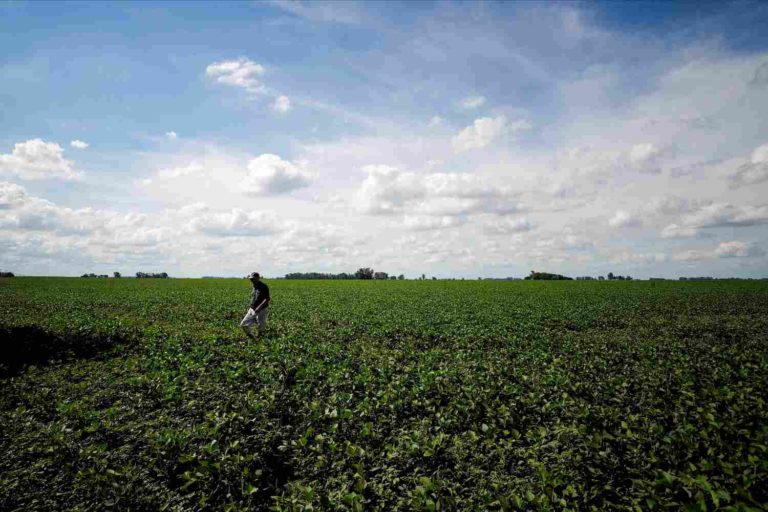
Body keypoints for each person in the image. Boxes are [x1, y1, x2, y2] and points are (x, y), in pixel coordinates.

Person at [240, 272, 270, 340]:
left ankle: (262, 341)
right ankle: (254, 339)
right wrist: (251, 306)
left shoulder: (263, 286)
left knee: (261, 327)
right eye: (251, 279)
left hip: (262, 309)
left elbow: (267, 299)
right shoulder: (254, 286)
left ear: (258, 278)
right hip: (252, 309)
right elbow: (254, 297)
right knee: (243, 325)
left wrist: (259, 307)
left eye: (253, 279)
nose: (251, 280)